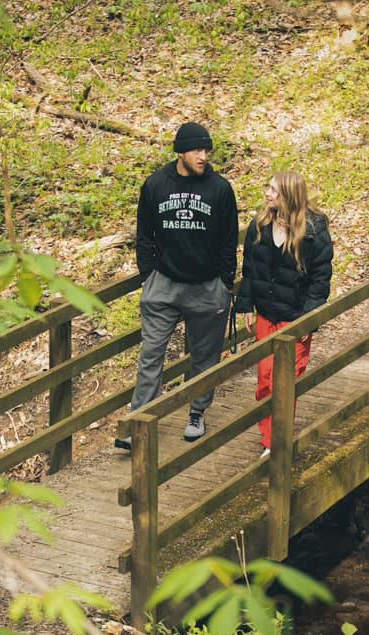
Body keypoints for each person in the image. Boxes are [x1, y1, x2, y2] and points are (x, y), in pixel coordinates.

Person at [115, 122, 239, 451]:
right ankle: (138, 423)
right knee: (151, 355)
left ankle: (196, 413)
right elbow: (145, 235)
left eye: (207, 150)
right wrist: (148, 276)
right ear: (180, 151)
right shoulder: (156, 185)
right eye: (197, 150)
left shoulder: (220, 189)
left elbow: (229, 241)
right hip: (164, 286)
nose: (204, 156)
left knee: (204, 357)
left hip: (207, 287)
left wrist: (225, 283)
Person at [233, 170, 333, 456]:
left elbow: (320, 279)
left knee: (286, 379)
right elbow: (250, 268)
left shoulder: (313, 231)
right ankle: (269, 438)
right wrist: (245, 305)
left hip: (294, 317)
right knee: (266, 378)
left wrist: (308, 320)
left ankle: (277, 440)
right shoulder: (261, 225)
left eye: (274, 191)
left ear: (289, 195)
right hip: (267, 312)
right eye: (268, 188)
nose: (267, 194)